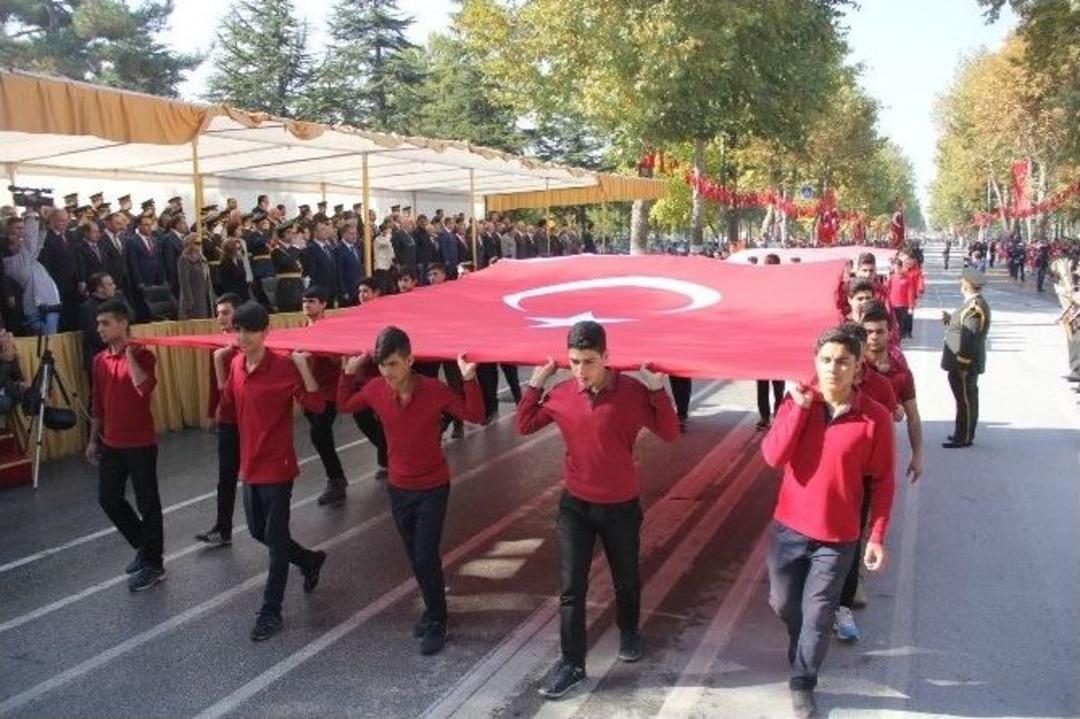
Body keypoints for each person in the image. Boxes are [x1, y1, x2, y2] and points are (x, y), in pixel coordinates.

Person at [516, 320, 679, 699]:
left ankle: (629, 629)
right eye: (573, 361)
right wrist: (536, 384)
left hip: (621, 505)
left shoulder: (635, 392)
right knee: (571, 589)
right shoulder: (560, 395)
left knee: (626, 579)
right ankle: (572, 664)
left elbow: (670, 433)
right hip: (575, 506)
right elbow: (524, 425)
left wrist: (659, 391)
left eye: (589, 361)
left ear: (607, 357)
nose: (580, 370)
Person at [761, 326, 896, 719]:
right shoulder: (797, 404)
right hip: (789, 529)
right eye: (825, 360)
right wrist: (798, 410)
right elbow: (772, 457)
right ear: (814, 363)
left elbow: (884, 481)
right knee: (784, 604)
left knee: (819, 614)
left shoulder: (874, 418)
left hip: (838, 539)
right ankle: (800, 640)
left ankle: (803, 682)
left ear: (857, 370)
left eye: (842, 362)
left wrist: (878, 536)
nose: (832, 368)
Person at [337, 326, 485, 655]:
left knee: (425, 555)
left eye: (393, 364)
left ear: (410, 360)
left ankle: (437, 620)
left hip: (433, 487)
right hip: (399, 488)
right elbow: (345, 404)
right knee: (416, 560)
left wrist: (469, 379)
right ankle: (433, 609)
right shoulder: (376, 388)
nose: (387, 372)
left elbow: (475, 415)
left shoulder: (434, 390)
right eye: (382, 365)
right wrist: (349, 373)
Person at [213, 301, 327, 641]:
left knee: (275, 541)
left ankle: (270, 611)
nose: (243, 336)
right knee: (258, 532)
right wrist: (219, 363)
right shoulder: (236, 364)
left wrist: (303, 366)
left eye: (250, 330)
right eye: (238, 330)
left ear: (266, 332)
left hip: (277, 467)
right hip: (250, 466)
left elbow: (317, 405)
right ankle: (309, 560)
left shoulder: (282, 368)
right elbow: (228, 409)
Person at [85, 300, 165, 592]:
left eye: (105, 323)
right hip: (112, 443)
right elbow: (98, 402)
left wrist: (130, 354)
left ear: (122, 324)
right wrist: (93, 439)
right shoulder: (99, 360)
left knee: (148, 503)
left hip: (141, 443)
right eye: (98, 323)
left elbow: (144, 389)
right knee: (108, 499)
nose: (100, 329)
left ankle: (154, 564)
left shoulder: (143, 354)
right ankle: (146, 546)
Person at [195, 293, 243, 547]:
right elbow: (214, 383)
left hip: (250, 419)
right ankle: (222, 528)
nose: (220, 317)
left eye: (225, 312)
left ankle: (272, 523)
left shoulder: (248, 343)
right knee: (226, 475)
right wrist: (210, 412)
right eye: (218, 312)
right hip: (228, 420)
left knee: (261, 477)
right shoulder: (216, 345)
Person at [300, 286, 348, 505]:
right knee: (320, 434)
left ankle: (336, 479)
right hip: (308, 391)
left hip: (329, 391)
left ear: (323, 304)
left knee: (319, 433)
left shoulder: (332, 329)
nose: (307, 305)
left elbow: (339, 359)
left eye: (312, 301)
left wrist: (324, 350)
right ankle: (336, 478)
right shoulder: (301, 329)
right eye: (304, 301)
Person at [941, 268, 991, 448]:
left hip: (964, 363)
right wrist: (950, 320)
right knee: (965, 399)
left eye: (962, 282)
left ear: (967, 285)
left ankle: (964, 437)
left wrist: (962, 364)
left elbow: (969, 337)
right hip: (963, 362)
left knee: (966, 400)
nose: (960, 284)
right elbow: (962, 327)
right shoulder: (971, 304)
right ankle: (961, 433)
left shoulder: (974, 307)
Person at [2, 210, 62, 335]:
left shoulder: (28, 258)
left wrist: (43, 223)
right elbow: (31, 243)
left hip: (48, 304)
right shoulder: (12, 264)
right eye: (16, 232)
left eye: (22, 229)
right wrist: (30, 214)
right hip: (37, 309)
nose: (21, 236)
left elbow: (37, 245)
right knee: (45, 346)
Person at [177, 233, 214, 320]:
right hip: (193, 298)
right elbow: (184, 283)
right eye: (196, 243)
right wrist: (189, 303)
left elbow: (207, 279)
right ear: (189, 244)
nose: (199, 245)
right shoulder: (184, 259)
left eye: (200, 243)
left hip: (204, 296)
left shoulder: (203, 259)